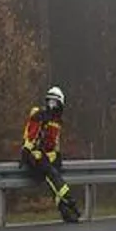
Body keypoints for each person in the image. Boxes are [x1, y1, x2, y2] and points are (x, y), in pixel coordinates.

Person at [21, 87, 81, 223]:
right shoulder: (39, 115)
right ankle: (71, 202)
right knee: (52, 175)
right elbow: (31, 135)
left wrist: (57, 155)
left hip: (47, 156)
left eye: (55, 103)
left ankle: (66, 211)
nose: (52, 105)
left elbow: (55, 141)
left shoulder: (57, 121)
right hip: (34, 155)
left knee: (54, 178)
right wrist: (27, 151)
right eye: (50, 102)